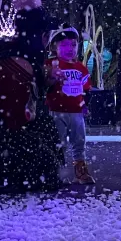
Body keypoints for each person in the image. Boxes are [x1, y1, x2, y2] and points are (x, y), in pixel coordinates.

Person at [0, 2, 63, 192]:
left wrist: (47, 80)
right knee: (40, 148)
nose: (47, 42)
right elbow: (14, 111)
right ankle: (4, 174)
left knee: (46, 129)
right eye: (46, 36)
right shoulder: (19, 62)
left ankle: (16, 174)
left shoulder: (11, 51)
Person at [46, 27, 94, 184]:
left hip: (76, 112)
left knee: (79, 141)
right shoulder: (51, 64)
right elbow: (44, 85)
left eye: (73, 44)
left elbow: (85, 90)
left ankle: (80, 171)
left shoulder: (81, 68)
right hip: (56, 111)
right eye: (64, 45)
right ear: (55, 46)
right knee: (58, 142)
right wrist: (51, 76)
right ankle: (53, 172)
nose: (70, 49)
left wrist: (84, 105)